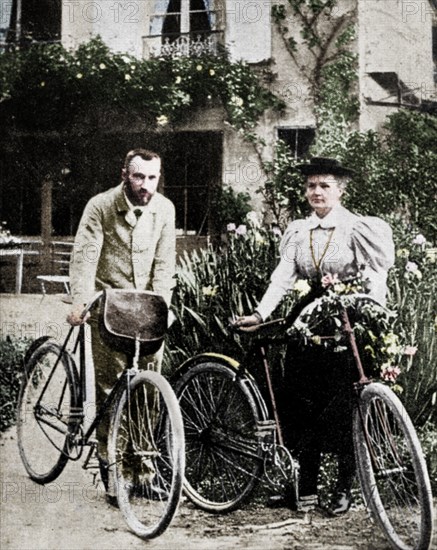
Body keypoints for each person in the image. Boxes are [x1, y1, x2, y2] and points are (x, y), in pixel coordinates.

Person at [234, 156, 395, 515]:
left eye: (325, 185)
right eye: (311, 186)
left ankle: (343, 488)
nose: (317, 192)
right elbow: (283, 277)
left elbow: (376, 277)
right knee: (300, 403)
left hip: (347, 321)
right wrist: (261, 314)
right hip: (307, 321)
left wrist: (372, 312)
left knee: (343, 406)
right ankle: (302, 488)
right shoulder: (299, 231)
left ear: (341, 190)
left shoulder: (357, 229)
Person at [67, 148, 176, 502]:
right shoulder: (100, 207)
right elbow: (85, 257)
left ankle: (144, 471)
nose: (146, 185)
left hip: (146, 311)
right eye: (138, 176)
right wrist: (82, 302)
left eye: (152, 177)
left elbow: (164, 265)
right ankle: (114, 471)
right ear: (124, 174)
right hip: (109, 308)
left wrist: (163, 307)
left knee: (147, 389)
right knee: (113, 390)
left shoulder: (164, 209)